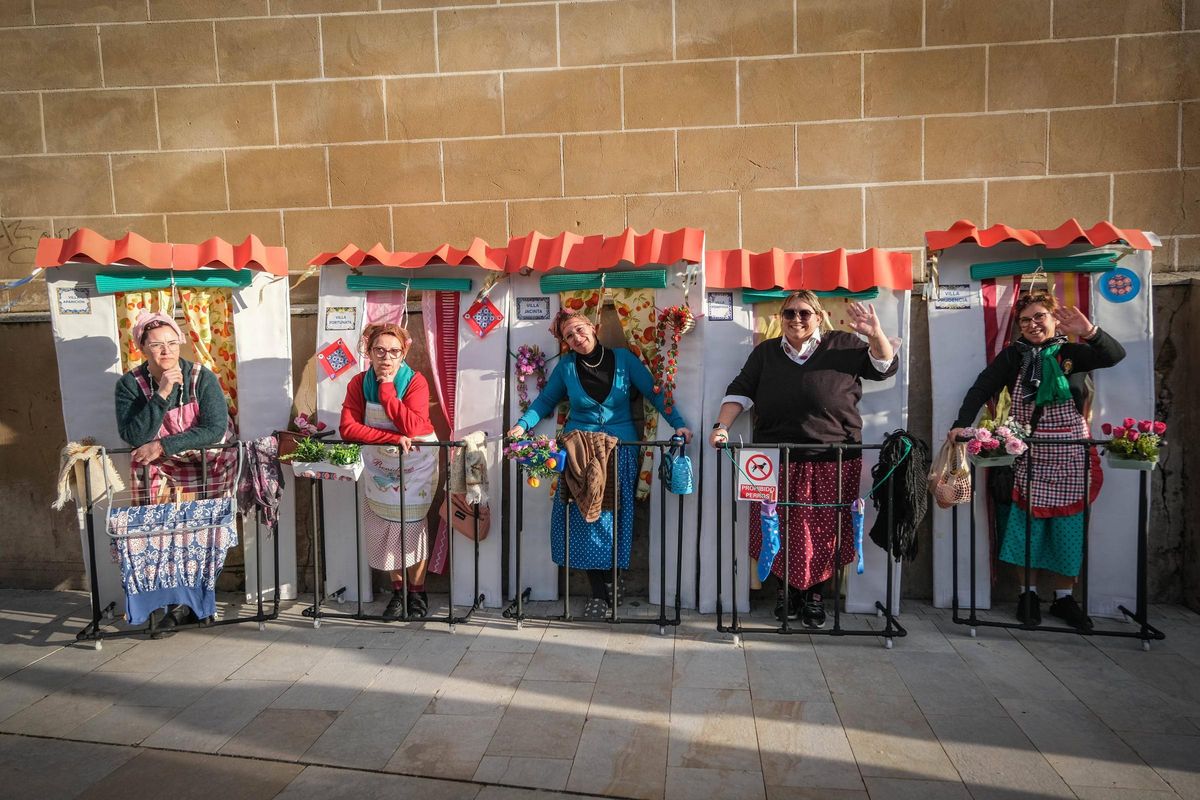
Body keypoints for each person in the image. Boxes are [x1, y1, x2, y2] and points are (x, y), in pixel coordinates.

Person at [709, 291, 898, 627]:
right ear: (780, 317)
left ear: (819, 315)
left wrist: (874, 334)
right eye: (790, 313)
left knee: (822, 532)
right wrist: (721, 426)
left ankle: (814, 597)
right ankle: (786, 593)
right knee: (774, 527)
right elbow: (739, 390)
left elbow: (884, 367)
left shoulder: (844, 344)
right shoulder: (765, 353)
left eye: (805, 313)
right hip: (772, 458)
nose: (797, 319)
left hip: (832, 457)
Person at [948, 291, 1124, 630]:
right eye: (1025, 319)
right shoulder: (1013, 357)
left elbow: (1114, 355)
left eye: (1039, 316)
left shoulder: (1072, 354)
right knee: (1026, 526)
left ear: (1054, 319)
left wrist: (1090, 332)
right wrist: (961, 424)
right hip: (1030, 451)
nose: (1033, 324)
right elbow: (982, 388)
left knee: (1067, 527)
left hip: (1071, 452)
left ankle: (1063, 598)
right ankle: (1027, 595)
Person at [507, 308, 692, 618]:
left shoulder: (624, 360)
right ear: (564, 342)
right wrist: (521, 426)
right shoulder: (566, 367)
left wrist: (679, 424)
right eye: (569, 336)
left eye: (579, 330)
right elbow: (544, 402)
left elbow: (656, 394)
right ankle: (597, 591)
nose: (577, 338)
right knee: (583, 518)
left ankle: (613, 583)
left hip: (620, 450)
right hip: (580, 453)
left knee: (614, 519)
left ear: (592, 327)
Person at [114, 310, 238, 634]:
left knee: (198, 536)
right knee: (160, 535)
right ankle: (171, 603)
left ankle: (193, 602)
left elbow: (214, 428)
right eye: (156, 345)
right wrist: (163, 394)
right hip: (157, 473)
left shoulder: (202, 378)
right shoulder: (129, 385)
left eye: (172, 342)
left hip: (204, 467)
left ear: (181, 342)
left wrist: (165, 445)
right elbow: (134, 435)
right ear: (142, 348)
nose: (166, 351)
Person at [340, 322, 438, 620]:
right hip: (380, 463)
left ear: (403, 353)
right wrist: (391, 438)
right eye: (380, 350)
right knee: (383, 527)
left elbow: (414, 426)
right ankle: (398, 591)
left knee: (412, 527)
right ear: (368, 352)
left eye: (394, 351)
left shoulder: (415, 382)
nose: (387, 357)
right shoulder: (357, 384)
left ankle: (418, 592)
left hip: (415, 463)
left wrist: (386, 391)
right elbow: (347, 428)